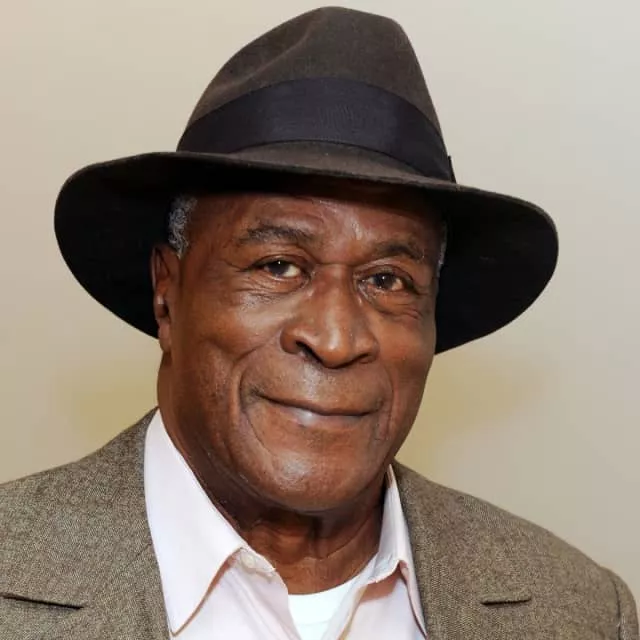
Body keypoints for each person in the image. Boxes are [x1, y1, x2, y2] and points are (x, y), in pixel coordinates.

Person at [0, 7, 636, 640]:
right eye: (278, 266)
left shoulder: (579, 613)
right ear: (167, 293)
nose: (334, 340)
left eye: (387, 280)